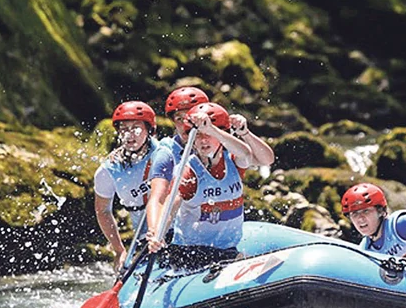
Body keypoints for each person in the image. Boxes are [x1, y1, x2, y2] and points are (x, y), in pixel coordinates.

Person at [147, 102, 253, 268]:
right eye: (197, 136)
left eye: (208, 135)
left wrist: (211, 129)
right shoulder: (188, 171)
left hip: (226, 249)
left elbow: (246, 153)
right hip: (191, 252)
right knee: (240, 259)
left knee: (238, 257)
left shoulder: (234, 161)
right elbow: (170, 206)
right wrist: (158, 234)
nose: (203, 140)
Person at [93, 101, 174, 272]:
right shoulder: (108, 170)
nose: (129, 135)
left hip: (179, 229)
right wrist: (119, 250)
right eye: (123, 129)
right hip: (146, 239)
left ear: (149, 130)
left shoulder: (165, 151)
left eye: (136, 128)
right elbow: (103, 210)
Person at [162, 86, 274, 168]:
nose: (186, 124)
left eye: (192, 118)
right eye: (179, 119)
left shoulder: (223, 144)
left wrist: (245, 133)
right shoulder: (166, 149)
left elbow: (266, 160)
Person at [341, 183, 406, 258]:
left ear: (380, 211)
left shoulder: (400, 225)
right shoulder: (365, 249)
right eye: (354, 214)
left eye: (366, 211)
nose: (360, 218)